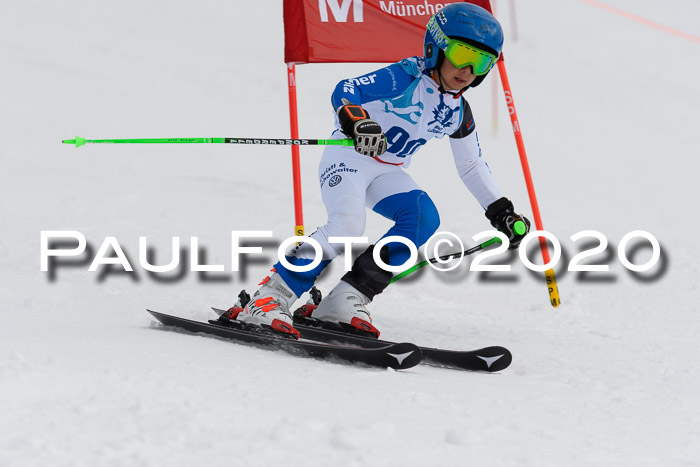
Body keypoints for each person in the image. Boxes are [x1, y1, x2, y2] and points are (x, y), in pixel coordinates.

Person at [229, 3, 531, 339]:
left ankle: (346, 299)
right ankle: (270, 296)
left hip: (388, 169)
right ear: (437, 47)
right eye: (461, 54)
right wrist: (357, 121)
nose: (468, 69)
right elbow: (346, 89)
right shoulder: (405, 77)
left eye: (482, 61)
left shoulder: (458, 111)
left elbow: (471, 164)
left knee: (423, 218)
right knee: (347, 225)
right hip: (350, 157)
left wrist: (500, 211)